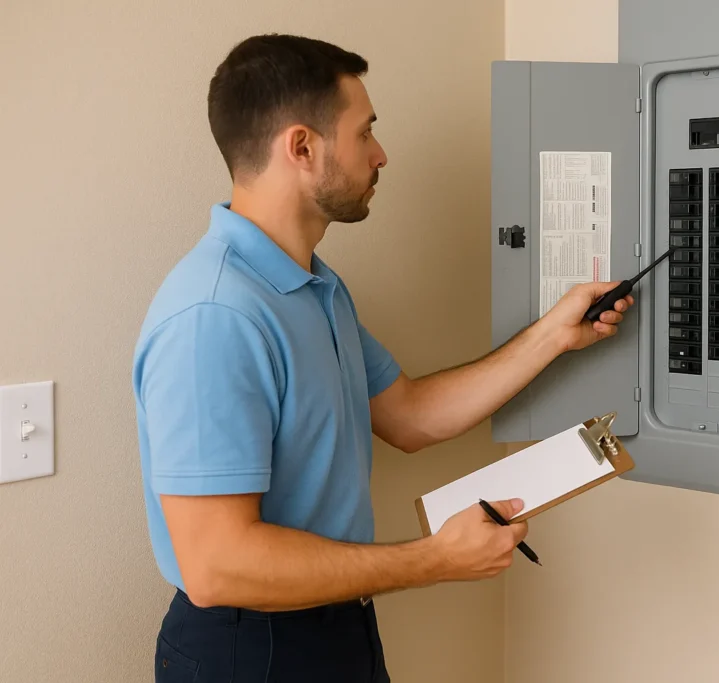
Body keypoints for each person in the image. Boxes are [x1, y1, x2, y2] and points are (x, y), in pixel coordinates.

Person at [132, 33, 634, 683]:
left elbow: (409, 414)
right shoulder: (215, 317)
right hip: (249, 650)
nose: (380, 154)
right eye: (364, 132)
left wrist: (553, 336)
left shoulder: (316, 286)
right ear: (302, 147)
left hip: (336, 627)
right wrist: (434, 558)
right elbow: (216, 564)